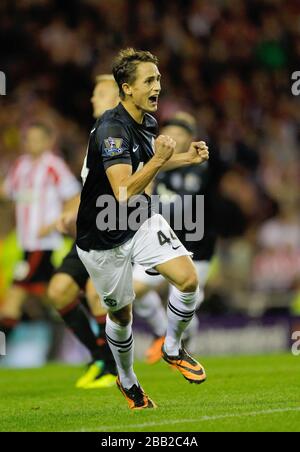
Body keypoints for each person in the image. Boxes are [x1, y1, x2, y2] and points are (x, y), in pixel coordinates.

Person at [76, 48, 209, 410]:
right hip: (101, 236)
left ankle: (172, 348)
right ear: (127, 88)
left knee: (188, 280)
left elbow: (145, 168)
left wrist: (184, 158)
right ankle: (128, 379)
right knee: (121, 315)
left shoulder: (147, 122)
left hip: (139, 220)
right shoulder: (111, 129)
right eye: (149, 80)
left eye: (159, 79)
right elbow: (122, 190)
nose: (157, 87)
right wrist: (163, 158)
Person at [47, 75, 120, 388]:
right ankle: (98, 356)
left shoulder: (122, 132)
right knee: (58, 290)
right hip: (88, 233)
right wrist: (69, 212)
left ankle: (114, 367)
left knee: (96, 295)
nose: (93, 99)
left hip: (113, 231)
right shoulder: (97, 134)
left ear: (118, 98)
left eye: (100, 93)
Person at [133, 112, 223, 362]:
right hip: (162, 241)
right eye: (169, 133)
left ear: (190, 139)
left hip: (197, 245)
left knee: (182, 299)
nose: (173, 137)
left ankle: (183, 344)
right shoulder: (154, 163)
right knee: (132, 290)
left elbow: (180, 205)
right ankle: (163, 332)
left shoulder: (200, 165)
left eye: (180, 134)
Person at [0, 122, 81, 345]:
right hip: (26, 243)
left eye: (37, 139)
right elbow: (7, 193)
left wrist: (55, 222)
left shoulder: (53, 165)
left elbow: (75, 196)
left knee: (14, 296)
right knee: (55, 298)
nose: (32, 143)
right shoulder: (20, 166)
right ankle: (92, 332)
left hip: (44, 244)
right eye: (29, 139)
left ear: (48, 141)